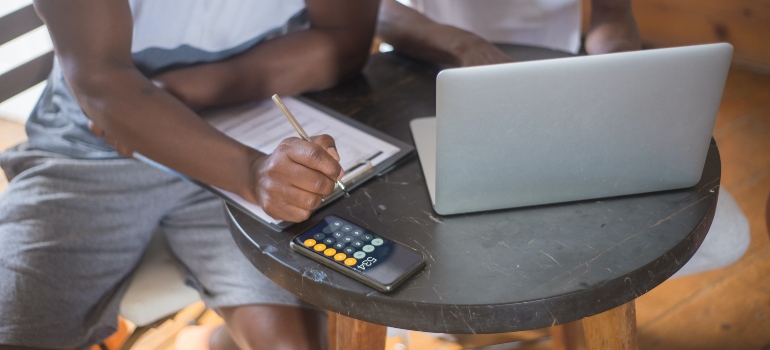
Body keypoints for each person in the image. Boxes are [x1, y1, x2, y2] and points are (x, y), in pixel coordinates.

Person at [0, 0, 378, 349]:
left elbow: (344, 40)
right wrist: (251, 173)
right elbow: (100, 79)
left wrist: (188, 89)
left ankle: (223, 340)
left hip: (243, 131)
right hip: (87, 150)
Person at [376, 0, 750, 277]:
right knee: (446, 252)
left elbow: (612, 13)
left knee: (730, 238)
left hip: (564, 87)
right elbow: (379, 11)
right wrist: (466, 46)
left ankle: (554, 303)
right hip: (431, 76)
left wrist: (615, 68)